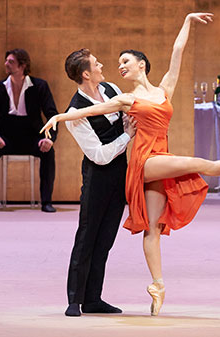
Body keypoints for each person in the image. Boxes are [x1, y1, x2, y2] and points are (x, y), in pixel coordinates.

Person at [41, 13, 220, 316]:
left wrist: (187, 21)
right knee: (201, 165)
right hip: (141, 161)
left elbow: (177, 52)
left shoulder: (147, 89)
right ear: (86, 73)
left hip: (148, 160)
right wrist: (59, 117)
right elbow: (91, 119)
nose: (115, 66)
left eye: (125, 62)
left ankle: (154, 286)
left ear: (141, 64)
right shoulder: (124, 98)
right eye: (106, 64)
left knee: (149, 229)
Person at [63, 49, 137, 317]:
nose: (102, 65)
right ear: (85, 73)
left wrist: (129, 124)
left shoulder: (110, 88)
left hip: (120, 174)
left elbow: (126, 115)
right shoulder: (75, 112)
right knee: (87, 237)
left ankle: (93, 298)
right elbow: (99, 155)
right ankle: (75, 299)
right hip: (97, 177)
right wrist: (127, 136)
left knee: (105, 239)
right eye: (96, 64)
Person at [0, 48, 59, 213]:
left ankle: (46, 202)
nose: (6, 64)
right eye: (6, 61)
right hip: (6, 137)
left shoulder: (39, 86)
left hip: (32, 136)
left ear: (23, 65)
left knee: (48, 152)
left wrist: (50, 139)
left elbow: (52, 115)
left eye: (10, 61)